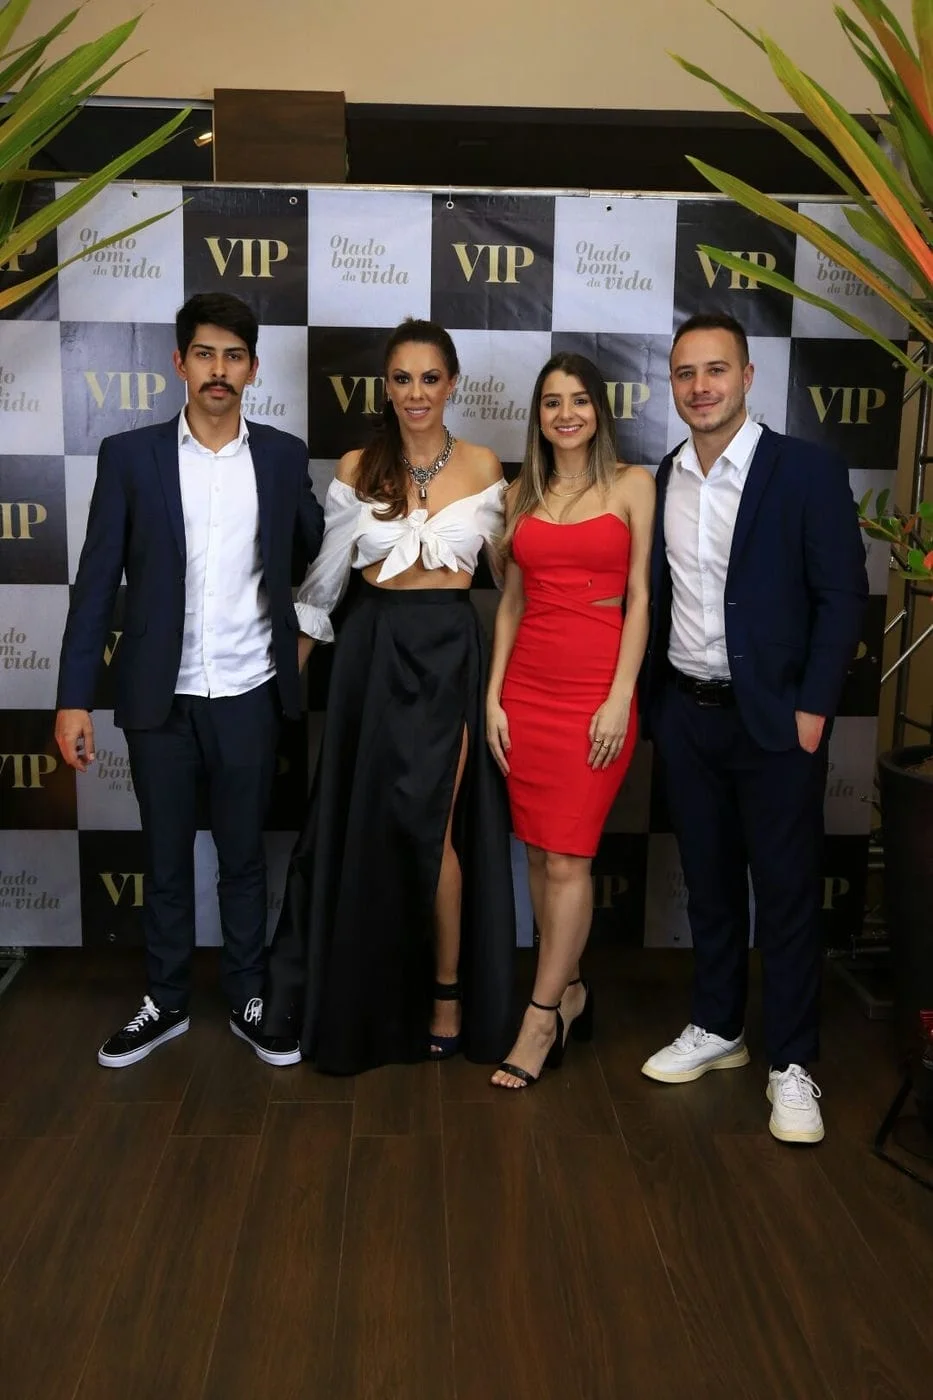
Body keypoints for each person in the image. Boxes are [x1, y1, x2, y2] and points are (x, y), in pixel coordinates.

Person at [55, 292, 324, 1069]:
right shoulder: (128, 456)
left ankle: (246, 995)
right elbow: (95, 585)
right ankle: (166, 1000)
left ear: (253, 369)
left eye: (233, 356)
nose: (218, 370)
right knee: (165, 858)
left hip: (249, 692)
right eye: (204, 354)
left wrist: (307, 634)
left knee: (243, 858)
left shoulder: (282, 457)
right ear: (179, 362)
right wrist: (73, 698)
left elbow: (318, 555)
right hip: (157, 698)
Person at [260, 318, 515, 1075]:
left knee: (436, 827)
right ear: (386, 386)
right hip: (371, 655)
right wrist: (281, 686)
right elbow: (322, 587)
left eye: (429, 378)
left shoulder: (483, 464)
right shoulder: (357, 466)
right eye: (402, 379)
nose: (416, 393)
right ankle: (368, 998)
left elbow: (515, 587)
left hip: (450, 656)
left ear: (452, 383)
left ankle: (446, 995)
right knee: (370, 827)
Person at [640, 311, 868, 1144]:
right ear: (671, 384)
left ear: (745, 377)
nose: (699, 387)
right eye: (685, 373)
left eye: (715, 370)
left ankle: (793, 1062)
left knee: (787, 895)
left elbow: (841, 596)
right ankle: (718, 1025)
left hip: (776, 723)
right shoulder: (662, 477)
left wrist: (811, 710)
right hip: (687, 716)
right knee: (706, 884)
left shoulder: (804, 470)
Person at [485, 352, 655, 1088]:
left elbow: (640, 597)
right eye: (552, 401)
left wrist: (620, 695)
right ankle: (573, 989)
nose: (565, 414)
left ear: (598, 410)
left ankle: (540, 1015)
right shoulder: (518, 493)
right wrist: (493, 696)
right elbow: (511, 604)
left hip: (596, 689)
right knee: (536, 855)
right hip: (527, 687)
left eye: (579, 400)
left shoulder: (632, 484)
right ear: (538, 414)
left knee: (568, 859)